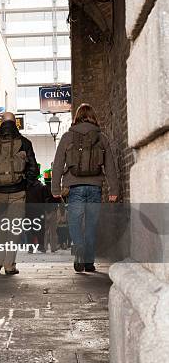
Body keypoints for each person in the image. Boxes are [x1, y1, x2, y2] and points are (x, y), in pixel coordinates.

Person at [51, 103, 119, 273]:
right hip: (95, 186)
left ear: (77, 117)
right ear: (93, 117)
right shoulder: (101, 137)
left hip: (74, 186)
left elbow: (58, 163)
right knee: (91, 224)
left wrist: (55, 189)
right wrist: (114, 190)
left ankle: (79, 247)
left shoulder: (68, 137)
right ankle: (88, 262)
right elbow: (110, 165)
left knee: (74, 221)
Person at [0, 112, 40, 275]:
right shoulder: (24, 142)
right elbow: (34, 168)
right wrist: (24, 184)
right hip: (18, 192)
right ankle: (9, 265)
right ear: (16, 123)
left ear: (1, 123)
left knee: (0, 227)